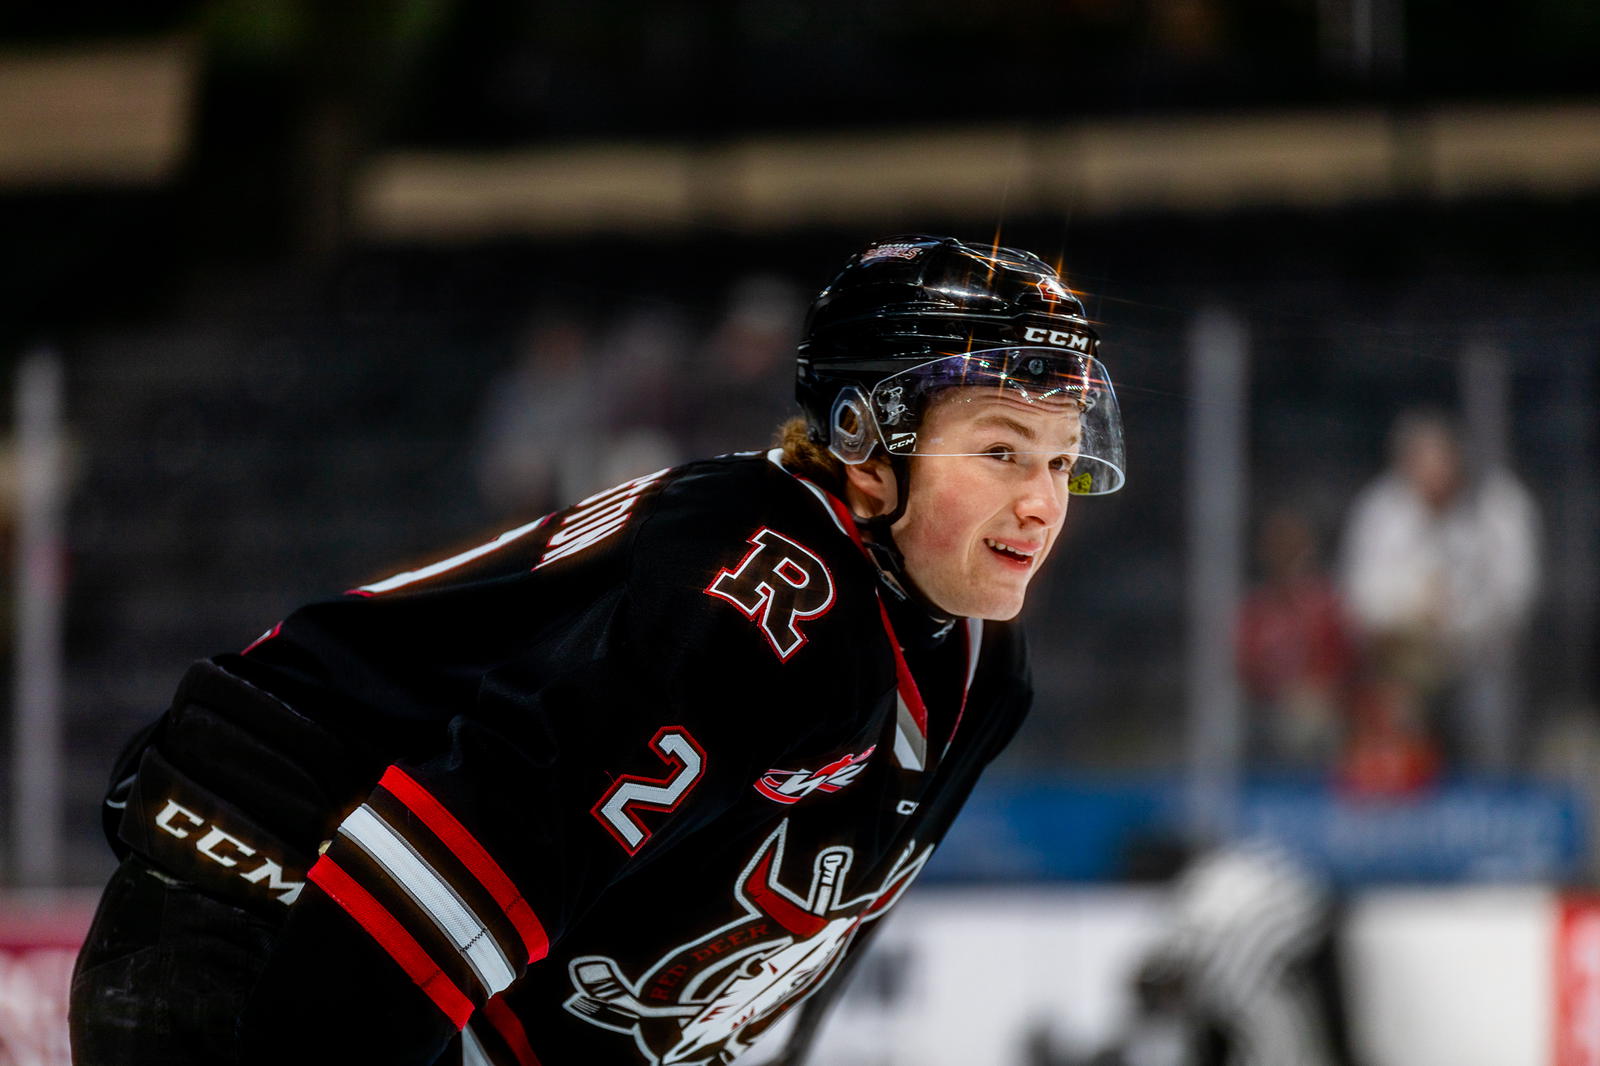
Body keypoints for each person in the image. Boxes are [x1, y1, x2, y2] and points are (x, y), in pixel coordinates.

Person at [69, 234, 1127, 1066]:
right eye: (996, 451)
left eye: (1060, 460)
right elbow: (472, 855)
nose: (1038, 503)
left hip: (382, 953)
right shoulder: (761, 595)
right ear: (863, 440)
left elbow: (777, 955)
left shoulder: (980, 670)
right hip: (272, 902)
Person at [1337, 408, 1540, 775]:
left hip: (1480, 656)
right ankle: (1402, 798)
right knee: (1389, 700)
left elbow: (1517, 595)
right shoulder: (1380, 509)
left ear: (1458, 459)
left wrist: (1457, 620)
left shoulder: (1500, 505)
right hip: (1402, 656)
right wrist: (1415, 611)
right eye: (1419, 462)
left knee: (1488, 706)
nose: (1432, 473)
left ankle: (1492, 798)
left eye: (1440, 460)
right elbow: (1360, 598)